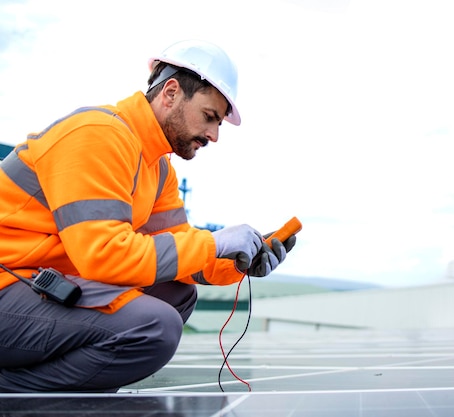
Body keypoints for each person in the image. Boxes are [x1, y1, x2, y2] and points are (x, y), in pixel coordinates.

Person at [0, 40, 296, 392]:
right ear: (171, 93)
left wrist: (235, 259)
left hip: (35, 282)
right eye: (209, 117)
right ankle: (17, 389)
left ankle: (52, 380)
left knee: (177, 291)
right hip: (9, 283)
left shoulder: (156, 169)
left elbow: (182, 255)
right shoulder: (98, 135)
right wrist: (213, 241)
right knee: (154, 327)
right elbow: (104, 255)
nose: (214, 136)